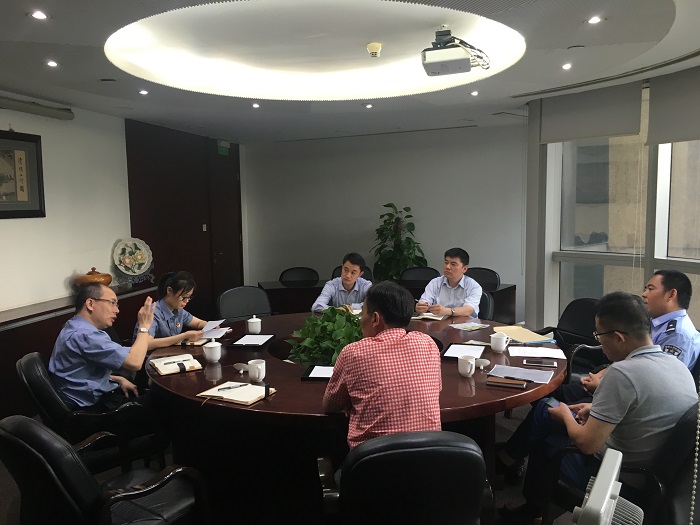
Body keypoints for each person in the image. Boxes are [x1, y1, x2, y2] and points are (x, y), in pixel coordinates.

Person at [499, 292, 698, 524]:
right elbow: (646, 407)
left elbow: (587, 444)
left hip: (618, 479)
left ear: (619, 338)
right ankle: (507, 464)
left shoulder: (622, 373)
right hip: (657, 477)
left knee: (547, 437)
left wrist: (565, 415)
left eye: (599, 336)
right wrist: (594, 408)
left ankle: (529, 506)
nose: (599, 344)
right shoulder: (676, 365)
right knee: (546, 411)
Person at [322, 281, 442, 449]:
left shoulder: (354, 352)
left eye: (363, 312)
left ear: (375, 318)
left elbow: (330, 406)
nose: (361, 319)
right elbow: (436, 389)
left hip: (373, 461)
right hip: (429, 457)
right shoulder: (427, 343)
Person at [49, 282, 155, 411]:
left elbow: (77, 374)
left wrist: (117, 379)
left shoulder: (74, 325)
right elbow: (135, 363)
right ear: (90, 304)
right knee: (162, 399)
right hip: (92, 410)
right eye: (112, 303)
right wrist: (144, 326)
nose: (117, 310)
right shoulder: (86, 335)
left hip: (86, 395)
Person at [134, 271, 213, 349]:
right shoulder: (153, 313)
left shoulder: (178, 310)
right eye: (184, 297)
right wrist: (184, 336)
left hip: (170, 353)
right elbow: (146, 343)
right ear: (169, 291)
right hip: (150, 356)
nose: (187, 301)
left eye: (189, 297)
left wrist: (211, 326)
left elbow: (198, 323)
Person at [415, 247, 482, 318]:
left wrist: (447, 311)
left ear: (464, 269)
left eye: (453, 264)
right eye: (446, 262)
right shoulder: (435, 283)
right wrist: (420, 308)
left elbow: (468, 310)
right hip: (438, 323)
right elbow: (424, 302)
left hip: (466, 323)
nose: (447, 267)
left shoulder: (473, 286)